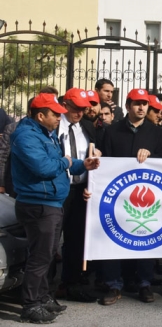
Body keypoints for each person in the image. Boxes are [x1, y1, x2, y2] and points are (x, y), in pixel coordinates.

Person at [11, 93, 99, 323]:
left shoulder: (44, 134)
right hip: (38, 203)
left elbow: (58, 163)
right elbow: (45, 168)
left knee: (47, 254)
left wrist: (82, 164)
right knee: (39, 258)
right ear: (40, 115)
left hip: (50, 202)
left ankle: (42, 297)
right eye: (55, 114)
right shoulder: (26, 136)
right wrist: (69, 161)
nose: (60, 117)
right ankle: (31, 304)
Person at [98, 88, 162, 306]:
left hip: (146, 200)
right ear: (127, 106)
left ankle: (144, 283)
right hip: (117, 196)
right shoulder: (112, 131)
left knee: (144, 236)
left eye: (144, 104)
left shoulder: (156, 132)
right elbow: (104, 163)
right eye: (137, 103)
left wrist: (151, 156)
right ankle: (113, 285)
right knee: (113, 238)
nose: (141, 107)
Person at [56, 89, 101, 303]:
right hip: (58, 190)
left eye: (83, 108)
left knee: (75, 239)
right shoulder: (54, 127)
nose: (80, 112)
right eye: (76, 108)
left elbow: (94, 156)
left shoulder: (87, 127)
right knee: (50, 241)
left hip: (80, 189)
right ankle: (43, 287)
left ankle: (70, 283)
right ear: (65, 104)